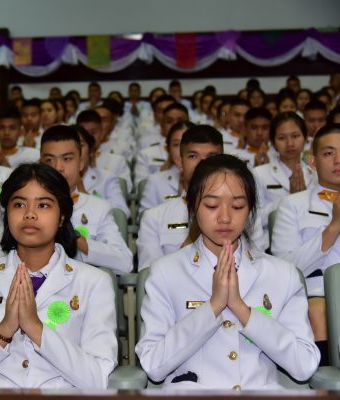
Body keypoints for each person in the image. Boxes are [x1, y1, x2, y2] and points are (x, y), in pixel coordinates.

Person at [137, 153, 319, 390]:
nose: (224, 217)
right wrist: (213, 307)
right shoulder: (165, 272)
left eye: (237, 206)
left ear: (250, 209)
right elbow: (153, 365)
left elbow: (304, 365)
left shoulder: (282, 274)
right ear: (192, 206)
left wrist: (242, 310)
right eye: (212, 205)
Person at [0, 162, 117, 388]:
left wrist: (35, 328)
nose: (30, 214)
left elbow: (97, 379)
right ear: (6, 214)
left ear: (62, 217)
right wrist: (3, 331)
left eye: (43, 205)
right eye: (19, 204)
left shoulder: (94, 283)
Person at [136, 125, 267, 270]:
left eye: (212, 157)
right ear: (179, 161)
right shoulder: (154, 218)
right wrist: (192, 238)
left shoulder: (246, 215)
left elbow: (259, 266)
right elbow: (148, 274)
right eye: (193, 156)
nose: (202, 163)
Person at [271, 123, 340, 366]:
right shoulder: (293, 205)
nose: (338, 160)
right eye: (329, 153)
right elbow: (284, 267)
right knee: (318, 308)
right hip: (317, 297)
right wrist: (333, 227)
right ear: (312, 162)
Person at [40, 125, 132, 274]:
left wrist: (77, 239)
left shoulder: (99, 208)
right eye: (49, 160)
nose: (58, 167)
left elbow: (125, 263)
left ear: (81, 163)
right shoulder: (24, 206)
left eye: (67, 159)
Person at [252, 112, 315, 230]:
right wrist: (290, 199)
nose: (290, 143)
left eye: (295, 136)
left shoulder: (315, 175)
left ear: (305, 138)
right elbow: (254, 219)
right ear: (273, 142)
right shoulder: (258, 174)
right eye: (282, 138)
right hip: (270, 239)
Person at [74, 125, 129, 217]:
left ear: (91, 151)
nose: (76, 151)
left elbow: (120, 212)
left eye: (81, 145)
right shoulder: (52, 179)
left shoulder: (106, 178)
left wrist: (83, 192)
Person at [139, 121, 194, 212]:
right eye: (176, 145)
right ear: (168, 149)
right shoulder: (155, 180)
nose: (182, 150)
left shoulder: (211, 179)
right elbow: (145, 216)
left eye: (188, 144)